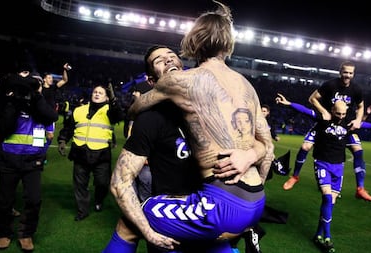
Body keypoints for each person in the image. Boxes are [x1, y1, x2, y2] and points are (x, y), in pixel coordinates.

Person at [125, 1, 274, 251]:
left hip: (222, 204)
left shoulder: (179, 81)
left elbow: (134, 109)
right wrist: (250, 155)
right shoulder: (247, 86)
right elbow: (267, 148)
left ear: (192, 41)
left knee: (132, 220)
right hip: (257, 200)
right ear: (228, 45)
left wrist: (137, 103)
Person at [103, 45, 266, 253]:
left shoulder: (209, 110)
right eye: (159, 61)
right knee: (129, 224)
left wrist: (249, 154)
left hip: (212, 208)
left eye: (172, 56)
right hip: (177, 217)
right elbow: (120, 183)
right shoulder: (151, 119)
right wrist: (147, 231)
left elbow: (265, 146)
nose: (169, 60)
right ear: (152, 81)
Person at [275, 93, 371, 253]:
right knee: (327, 197)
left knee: (329, 204)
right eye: (338, 114)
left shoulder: (348, 124)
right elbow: (305, 111)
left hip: (339, 167)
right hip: (322, 164)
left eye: (343, 114)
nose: (340, 117)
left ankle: (318, 234)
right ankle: (328, 236)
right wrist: (288, 103)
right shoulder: (324, 119)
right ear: (332, 110)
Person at [282, 61, 371, 202]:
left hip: (344, 126)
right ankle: (295, 177)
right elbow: (312, 98)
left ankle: (360, 189)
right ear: (340, 72)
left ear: (353, 74)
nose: (348, 75)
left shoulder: (356, 89)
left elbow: (361, 106)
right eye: (345, 72)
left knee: (358, 150)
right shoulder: (330, 85)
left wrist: (357, 120)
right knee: (305, 147)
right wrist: (324, 111)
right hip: (324, 124)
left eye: (351, 73)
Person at [0, 71, 59, 251]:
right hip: (9, 158)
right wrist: (14, 101)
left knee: (34, 199)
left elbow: (51, 119)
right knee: (4, 200)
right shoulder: (9, 102)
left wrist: (36, 98)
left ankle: (26, 234)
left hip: (33, 161)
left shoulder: (42, 105)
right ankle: (3, 233)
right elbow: (4, 127)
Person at [57, 84, 125, 221]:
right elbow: (69, 127)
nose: (97, 94)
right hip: (80, 151)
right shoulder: (79, 110)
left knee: (102, 183)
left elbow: (118, 115)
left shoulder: (109, 110)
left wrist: (113, 100)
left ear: (106, 97)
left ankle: (99, 200)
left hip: (101, 154)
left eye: (101, 92)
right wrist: (62, 140)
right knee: (80, 184)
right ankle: (82, 210)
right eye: (95, 92)